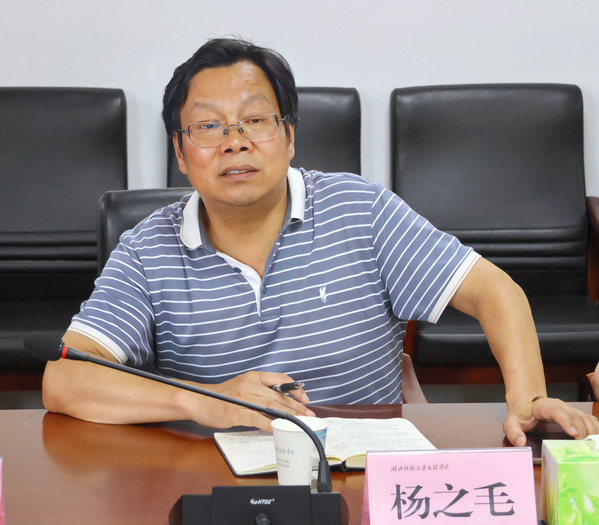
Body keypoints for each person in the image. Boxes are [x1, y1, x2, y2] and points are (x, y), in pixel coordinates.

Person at [42, 37, 599, 446]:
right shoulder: (147, 248)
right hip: (209, 467)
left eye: (255, 120)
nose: (234, 142)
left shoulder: (360, 209)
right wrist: (204, 400)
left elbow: (494, 291)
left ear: (289, 136)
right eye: (208, 126)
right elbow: (64, 379)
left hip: (362, 463)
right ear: (181, 153)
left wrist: (528, 400)